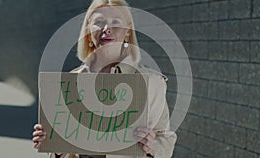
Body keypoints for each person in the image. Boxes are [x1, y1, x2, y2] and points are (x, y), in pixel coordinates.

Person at [32, 0, 177, 157]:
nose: (107, 29)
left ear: (128, 30)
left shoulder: (151, 83)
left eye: (115, 22)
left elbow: (166, 141)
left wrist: (152, 145)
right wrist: (55, 145)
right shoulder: (70, 83)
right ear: (88, 30)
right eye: (99, 22)